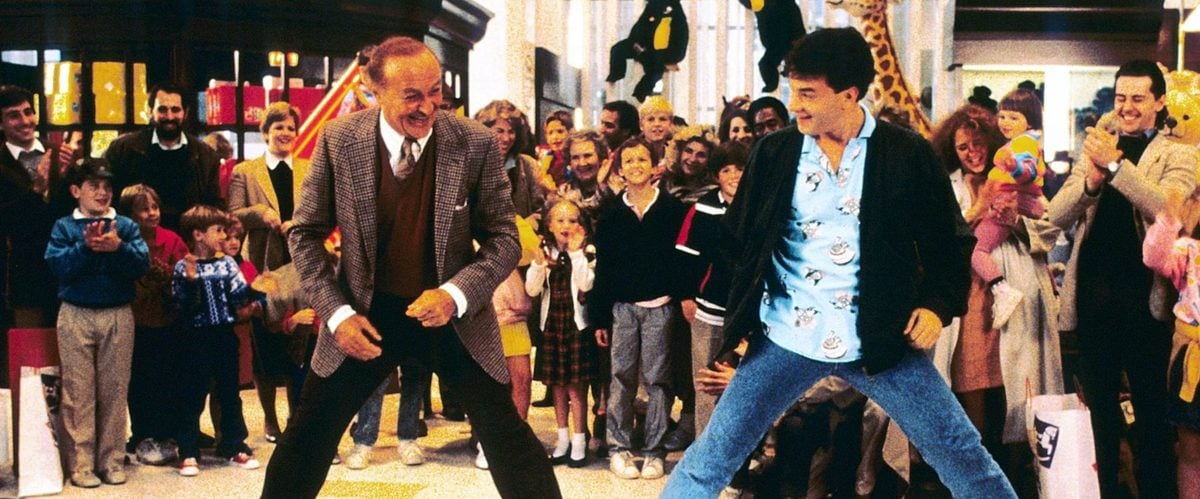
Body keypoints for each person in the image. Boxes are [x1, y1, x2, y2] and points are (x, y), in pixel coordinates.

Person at [662, 27, 1014, 497]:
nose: (796, 105)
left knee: (962, 454)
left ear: (849, 94)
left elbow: (950, 244)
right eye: (793, 92)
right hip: (784, 336)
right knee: (709, 459)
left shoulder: (906, 152)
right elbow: (737, 244)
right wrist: (741, 326)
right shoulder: (775, 152)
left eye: (808, 94)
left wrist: (935, 307)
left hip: (880, 340)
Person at [261, 36, 560, 499]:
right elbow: (304, 233)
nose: (428, 107)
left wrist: (455, 295)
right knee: (308, 436)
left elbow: (503, 238)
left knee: (507, 436)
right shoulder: (339, 140)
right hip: (365, 314)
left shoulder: (474, 142)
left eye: (435, 91)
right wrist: (337, 315)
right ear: (374, 90)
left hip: (451, 315)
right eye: (412, 96)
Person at [1048, 59, 1198, 498]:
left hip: (1147, 306)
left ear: (1159, 102)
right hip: (1093, 301)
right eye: (1120, 98)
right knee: (1099, 417)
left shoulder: (1181, 153)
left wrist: (1116, 167)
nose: (1127, 107)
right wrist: (1091, 182)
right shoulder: (1099, 144)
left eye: (1137, 98)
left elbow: (1167, 209)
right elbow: (1056, 214)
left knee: (1152, 418)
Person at [928, 104, 1062, 496]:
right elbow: (938, 237)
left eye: (978, 143)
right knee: (968, 380)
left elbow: (1048, 230)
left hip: (1015, 291)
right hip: (966, 299)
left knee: (1016, 383)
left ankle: (1016, 475)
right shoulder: (943, 185)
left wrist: (1013, 218)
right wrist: (979, 207)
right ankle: (976, 475)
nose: (972, 152)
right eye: (963, 147)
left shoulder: (1013, 177)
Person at [44, 158, 149, 488]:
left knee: (115, 391)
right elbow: (57, 266)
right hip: (75, 313)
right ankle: (81, 464)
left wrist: (119, 249)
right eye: (94, 186)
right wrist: (86, 248)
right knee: (78, 392)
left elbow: (141, 264)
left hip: (117, 313)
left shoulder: (125, 226)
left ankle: (112, 460)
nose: (102, 193)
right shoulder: (64, 227)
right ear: (76, 191)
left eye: (107, 187)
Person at [591, 135, 687, 480]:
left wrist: (681, 300)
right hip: (623, 309)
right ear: (619, 169)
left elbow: (682, 262)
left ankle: (654, 450)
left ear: (655, 166)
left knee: (658, 379)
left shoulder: (672, 210)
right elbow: (604, 268)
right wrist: (599, 317)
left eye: (642, 159)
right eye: (628, 161)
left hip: (660, 307)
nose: (635, 166)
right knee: (621, 377)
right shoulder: (612, 214)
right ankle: (619, 448)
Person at [227, 102, 310, 440]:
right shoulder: (245, 171)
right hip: (263, 266)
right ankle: (270, 418)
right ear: (265, 133)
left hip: (301, 265)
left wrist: (299, 224)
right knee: (265, 347)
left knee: (300, 342)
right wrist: (260, 213)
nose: (285, 133)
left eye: (290, 127)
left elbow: (321, 210)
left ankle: (296, 415)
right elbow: (232, 215)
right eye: (278, 127)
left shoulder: (309, 168)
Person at [172, 205, 262, 477]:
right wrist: (190, 282)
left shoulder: (227, 264)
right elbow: (181, 307)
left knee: (229, 393)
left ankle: (233, 445)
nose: (224, 236)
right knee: (193, 394)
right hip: (195, 339)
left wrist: (257, 291)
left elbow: (238, 297)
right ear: (198, 235)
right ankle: (188, 450)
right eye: (219, 230)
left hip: (224, 335)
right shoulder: (183, 266)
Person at [675, 141, 746, 437]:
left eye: (740, 169)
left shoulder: (758, 205)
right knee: (706, 380)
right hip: (708, 308)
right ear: (716, 175)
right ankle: (704, 446)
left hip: (747, 312)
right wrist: (686, 296)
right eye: (726, 170)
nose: (734, 176)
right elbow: (685, 256)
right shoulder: (703, 208)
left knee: (743, 381)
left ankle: (743, 450)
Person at [119, 184, 187, 465]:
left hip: (167, 321)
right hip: (136, 322)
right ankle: (142, 434)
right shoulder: (124, 242)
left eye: (155, 207)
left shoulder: (171, 240)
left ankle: (167, 433)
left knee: (168, 379)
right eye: (144, 209)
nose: (152, 213)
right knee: (139, 381)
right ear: (130, 215)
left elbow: (185, 274)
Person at [970, 89, 1047, 330]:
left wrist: (1014, 166)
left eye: (1014, 117)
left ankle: (1001, 289)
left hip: (1012, 197)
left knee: (976, 248)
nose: (1005, 122)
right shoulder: (1020, 142)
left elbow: (1028, 172)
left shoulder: (1023, 143)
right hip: (1017, 197)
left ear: (1029, 121)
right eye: (1002, 116)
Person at [527, 199, 595, 468]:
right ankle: (562, 438)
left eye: (573, 220)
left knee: (576, 387)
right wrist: (538, 265)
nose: (566, 225)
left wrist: (577, 254)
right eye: (560, 220)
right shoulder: (545, 252)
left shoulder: (587, 251)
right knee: (556, 386)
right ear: (550, 225)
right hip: (552, 325)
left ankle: (580, 440)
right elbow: (532, 290)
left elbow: (585, 284)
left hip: (575, 326)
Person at [1143, 185, 1200, 499]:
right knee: (1191, 452)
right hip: (1191, 358)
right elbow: (1153, 256)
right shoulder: (1188, 250)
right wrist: (1169, 217)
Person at [105, 83, 222, 232]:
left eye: (175, 110)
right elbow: (110, 199)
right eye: (162, 109)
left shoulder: (206, 156)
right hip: (136, 238)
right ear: (150, 111)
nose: (169, 116)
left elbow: (212, 208)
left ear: (185, 113)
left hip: (187, 240)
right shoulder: (122, 149)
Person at [0, 85, 65, 329]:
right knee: (30, 349)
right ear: (1, 124)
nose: (25, 121)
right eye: (14, 115)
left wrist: (67, 178)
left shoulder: (60, 154)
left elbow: (76, 213)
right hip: (23, 277)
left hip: (66, 274)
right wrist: (35, 191)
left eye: (28, 112)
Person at [474, 99, 549, 216]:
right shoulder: (473, 164)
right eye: (499, 131)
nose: (506, 138)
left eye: (511, 132)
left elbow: (540, 209)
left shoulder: (528, 164)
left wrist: (530, 221)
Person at [538, 110, 574, 188]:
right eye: (550, 133)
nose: (554, 137)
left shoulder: (574, 157)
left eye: (560, 131)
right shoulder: (546, 159)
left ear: (570, 132)